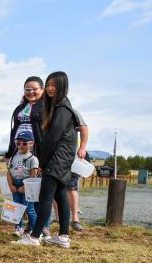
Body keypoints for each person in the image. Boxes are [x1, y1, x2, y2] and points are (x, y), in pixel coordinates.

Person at [15, 71, 79, 248]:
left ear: (63, 86)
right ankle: (63, 237)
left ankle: (34, 237)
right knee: (60, 196)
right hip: (63, 158)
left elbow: (52, 138)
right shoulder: (60, 106)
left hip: (57, 158)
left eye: (54, 85)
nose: (51, 88)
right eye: (49, 84)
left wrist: (42, 163)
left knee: (45, 198)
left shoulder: (62, 109)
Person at [5, 76, 52, 237]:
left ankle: (43, 226)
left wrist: (44, 156)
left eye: (34, 89)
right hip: (19, 152)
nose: (31, 92)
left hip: (37, 153)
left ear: (42, 89)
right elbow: (13, 132)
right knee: (20, 193)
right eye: (27, 89)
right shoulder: (20, 108)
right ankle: (25, 226)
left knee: (37, 193)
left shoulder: (47, 107)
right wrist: (10, 152)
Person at [6, 131, 39, 236]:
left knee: (29, 209)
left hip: (27, 185)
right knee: (16, 207)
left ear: (31, 144)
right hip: (15, 184)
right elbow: (9, 172)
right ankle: (18, 228)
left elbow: (33, 175)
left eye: (24, 143)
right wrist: (11, 185)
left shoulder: (33, 159)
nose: (21, 145)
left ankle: (34, 230)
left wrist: (25, 187)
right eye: (18, 143)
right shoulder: (13, 157)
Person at [67, 109, 89, 231]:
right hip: (54, 158)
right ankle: (58, 218)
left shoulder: (71, 111)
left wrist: (82, 148)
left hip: (72, 158)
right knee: (55, 188)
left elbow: (84, 128)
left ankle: (75, 219)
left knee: (72, 187)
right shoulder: (47, 110)